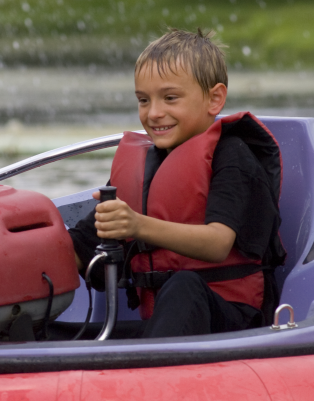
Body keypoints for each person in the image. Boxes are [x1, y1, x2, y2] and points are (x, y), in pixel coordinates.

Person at [68, 28, 285, 338]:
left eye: (170, 98)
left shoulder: (233, 155)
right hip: (165, 323)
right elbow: (81, 245)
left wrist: (137, 225)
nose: (154, 113)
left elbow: (218, 243)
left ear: (214, 98)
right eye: (143, 100)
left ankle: (148, 375)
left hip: (234, 319)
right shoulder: (146, 167)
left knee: (183, 286)